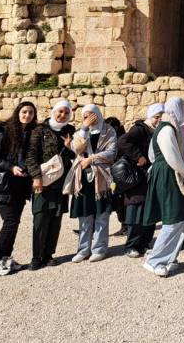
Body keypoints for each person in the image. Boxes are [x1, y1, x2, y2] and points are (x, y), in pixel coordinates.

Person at [141, 97, 184, 277]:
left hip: (172, 174)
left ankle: (169, 257)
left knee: (182, 216)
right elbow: (171, 155)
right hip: (169, 175)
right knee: (174, 218)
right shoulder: (166, 128)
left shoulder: (171, 127)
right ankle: (155, 260)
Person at [0, 101, 37, 276]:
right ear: (18, 113)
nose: (27, 115)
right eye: (24, 112)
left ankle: (5, 259)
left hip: (21, 185)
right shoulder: (5, 132)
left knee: (14, 222)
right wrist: (10, 167)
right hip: (6, 185)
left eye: (30, 112)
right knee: (10, 222)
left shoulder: (32, 133)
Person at [63, 104, 117, 263]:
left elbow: (112, 152)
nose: (89, 118)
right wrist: (84, 128)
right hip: (83, 179)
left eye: (91, 115)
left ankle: (99, 249)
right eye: (85, 116)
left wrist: (91, 159)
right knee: (85, 215)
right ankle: (83, 249)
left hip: (101, 177)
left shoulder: (109, 130)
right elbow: (77, 149)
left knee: (101, 214)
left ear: (98, 114)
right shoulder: (80, 132)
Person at [26, 99, 75, 270]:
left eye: (66, 112)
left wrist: (69, 147)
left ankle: (48, 254)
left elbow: (73, 155)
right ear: (54, 111)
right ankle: (36, 256)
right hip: (44, 181)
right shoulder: (40, 130)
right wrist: (36, 176)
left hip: (61, 182)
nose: (63, 115)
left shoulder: (70, 130)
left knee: (56, 218)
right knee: (40, 218)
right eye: (60, 111)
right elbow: (31, 155)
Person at [118, 102, 164, 258]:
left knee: (149, 210)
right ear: (150, 116)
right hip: (139, 178)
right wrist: (139, 156)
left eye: (161, 116)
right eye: (156, 116)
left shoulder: (157, 130)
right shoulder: (140, 129)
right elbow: (123, 142)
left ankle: (144, 244)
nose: (159, 119)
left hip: (150, 176)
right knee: (137, 211)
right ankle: (131, 246)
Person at [104, 116, 128, 235]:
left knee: (120, 200)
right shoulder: (115, 138)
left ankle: (125, 226)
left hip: (119, 175)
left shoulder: (121, 139)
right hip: (115, 174)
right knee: (118, 200)